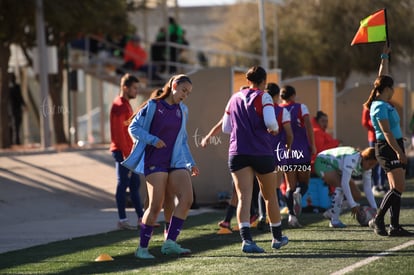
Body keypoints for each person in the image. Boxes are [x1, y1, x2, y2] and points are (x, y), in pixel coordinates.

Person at [122, 74, 200, 259]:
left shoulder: (183, 110)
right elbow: (133, 128)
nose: (185, 95)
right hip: (155, 160)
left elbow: (183, 141)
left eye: (188, 93)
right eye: (183, 90)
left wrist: (191, 162)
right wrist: (153, 140)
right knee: (156, 205)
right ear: (174, 86)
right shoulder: (153, 106)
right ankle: (142, 249)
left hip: (176, 162)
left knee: (187, 198)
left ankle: (170, 243)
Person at [221, 66, 288, 253]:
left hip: (237, 152)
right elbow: (271, 123)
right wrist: (274, 129)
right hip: (261, 152)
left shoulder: (233, 97)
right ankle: (277, 237)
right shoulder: (264, 96)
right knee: (270, 196)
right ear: (264, 81)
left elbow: (227, 128)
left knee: (243, 197)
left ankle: (247, 241)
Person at [364, 45, 413, 236]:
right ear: (386, 89)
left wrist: (384, 57)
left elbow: (381, 77)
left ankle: (394, 226)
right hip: (387, 147)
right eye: (391, 87)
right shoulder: (378, 106)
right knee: (398, 187)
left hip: (394, 144)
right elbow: (385, 132)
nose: (393, 90)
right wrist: (400, 152)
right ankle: (377, 219)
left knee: (396, 188)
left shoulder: (383, 102)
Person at [109, 74, 144, 230]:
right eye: (134, 88)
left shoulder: (126, 104)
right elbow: (118, 133)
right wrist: (126, 154)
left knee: (135, 184)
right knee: (123, 184)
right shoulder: (118, 105)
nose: (136, 91)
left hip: (130, 152)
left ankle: (141, 218)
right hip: (123, 152)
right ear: (125, 87)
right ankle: (122, 220)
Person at [257, 82, 293, 230]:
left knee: (262, 187)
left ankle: (262, 215)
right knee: (275, 187)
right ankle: (274, 218)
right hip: (278, 153)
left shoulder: (259, 110)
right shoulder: (282, 111)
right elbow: (289, 133)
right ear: (277, 96)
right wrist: (288, 147)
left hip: (261, 151)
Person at [279, 85, 316, 227]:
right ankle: (299, 193)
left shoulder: (278, 109)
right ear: (293, 95)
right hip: (301, 150)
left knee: (289, 186)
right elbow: (309, 127)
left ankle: (291, 217)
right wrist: (313, 145)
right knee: (304, 183)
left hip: (286, 151)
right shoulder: (301, 108)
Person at [314, 146, 378, 228]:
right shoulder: (352, 159)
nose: (371, 167)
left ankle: (332, 212)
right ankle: (334, 220)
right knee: (341, 187)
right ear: (364, 158)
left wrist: (375, 209)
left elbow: (367, 188)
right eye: (370, 164)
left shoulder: (367, 168)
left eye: (374, 165)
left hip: (337, 167)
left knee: (356, 195)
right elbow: (344, 184)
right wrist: (352, 205)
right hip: (323, 161)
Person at [362, 106, 388, 196]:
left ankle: (382, 184)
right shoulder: (368, 106)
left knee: (383, 162)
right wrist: (376, 127)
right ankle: (375, 184)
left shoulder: (384, 104)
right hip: (373, 138)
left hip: (383, 137)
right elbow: (365, 122)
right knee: (374, 161)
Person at [8, 73, 26, 145]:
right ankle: (16, 141)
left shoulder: (7, 87)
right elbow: (20, 97)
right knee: (16, 126)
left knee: (13, 126)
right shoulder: (15, 87)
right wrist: (24, 105)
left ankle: (13, 141)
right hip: (15, 109)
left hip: (10, 110)